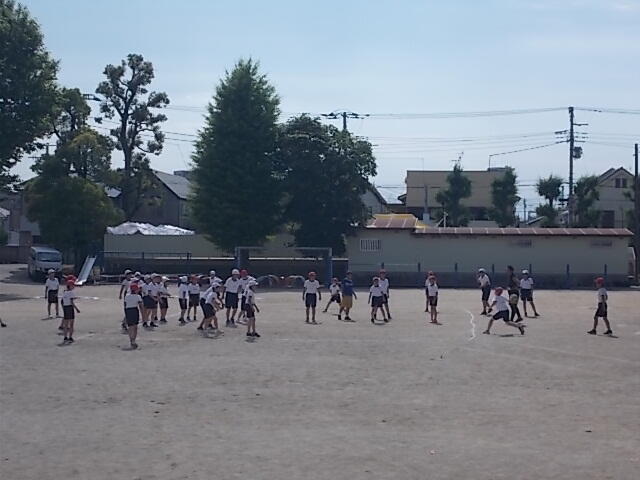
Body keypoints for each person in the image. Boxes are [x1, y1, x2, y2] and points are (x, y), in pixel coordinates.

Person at [123, 283, 144, 349]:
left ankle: (131, 340)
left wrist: (126, 313)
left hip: (128, 310)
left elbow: (125, 305)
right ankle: (133, 340)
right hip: (134, 310)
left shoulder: (127, 296)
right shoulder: (138, 296)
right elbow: (141, 306)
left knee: (130, 326)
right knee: (135, 327)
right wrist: (143, 315)